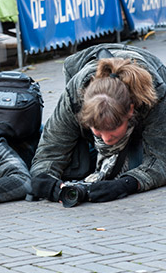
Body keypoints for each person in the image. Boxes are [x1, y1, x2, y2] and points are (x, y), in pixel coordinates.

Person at [30, 44, 166, 205]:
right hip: (83, 82)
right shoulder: (74, 97)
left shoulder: (154, 95)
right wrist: (52, 186)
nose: (107, 139)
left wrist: (125, 184)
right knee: (72, 162)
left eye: (113, 132)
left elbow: (160, 159)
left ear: (130, 111)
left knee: (140, 166)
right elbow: (48, 155)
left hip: (146, 108)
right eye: (99, 132)